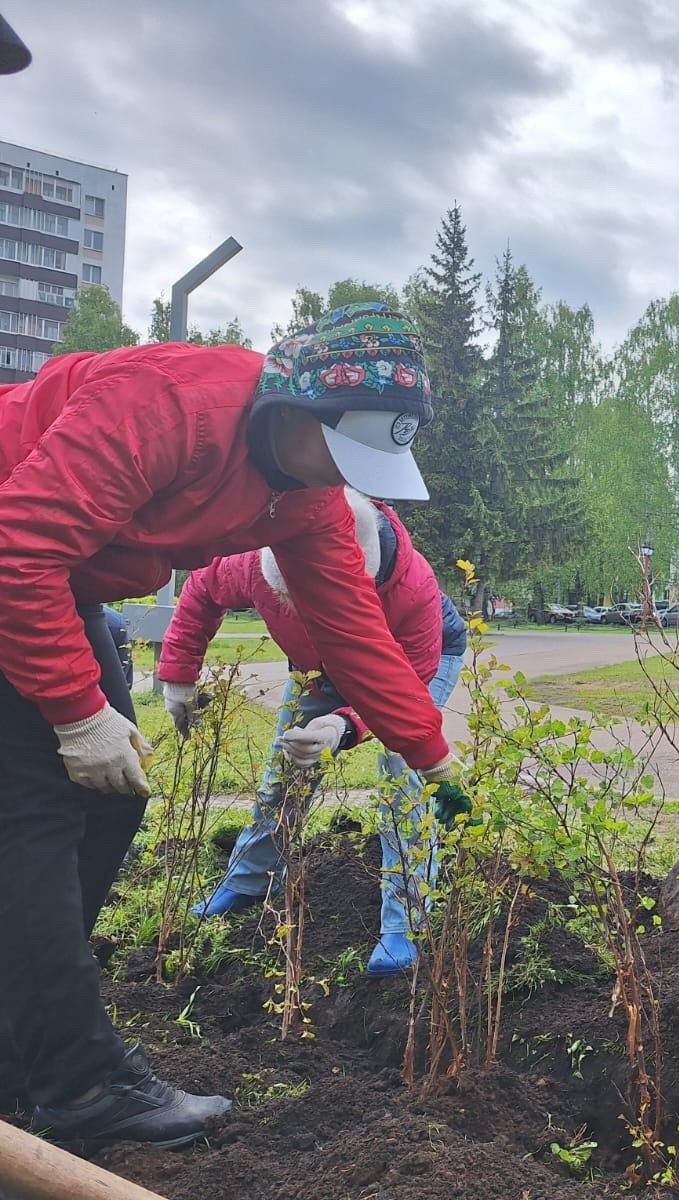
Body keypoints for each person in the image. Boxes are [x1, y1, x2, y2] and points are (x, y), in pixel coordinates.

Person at [0, 303, 465, 1147]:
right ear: (292, 411)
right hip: (16, 559)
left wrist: (432, 760)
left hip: (60, 582)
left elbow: (356, 634)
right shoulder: (166, 406)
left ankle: (24, 1042)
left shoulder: (306, 496)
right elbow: (17, 549)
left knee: (110, 804)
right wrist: (76, 713)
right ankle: (77, 1084)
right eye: (341, 453)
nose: (345, 478)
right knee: (36, 813)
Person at [159, 488, 468, 977]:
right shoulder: (255, 560)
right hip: (315, 669)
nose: (298, 608)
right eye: (288, 599)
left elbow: (405, 700)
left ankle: (406, 920)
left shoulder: (413, 591)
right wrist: (177, 675)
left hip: (412, 670)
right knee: (284, 772)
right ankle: (249, 879)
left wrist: (343, 725)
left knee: (400, 780)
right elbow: (201, 589)